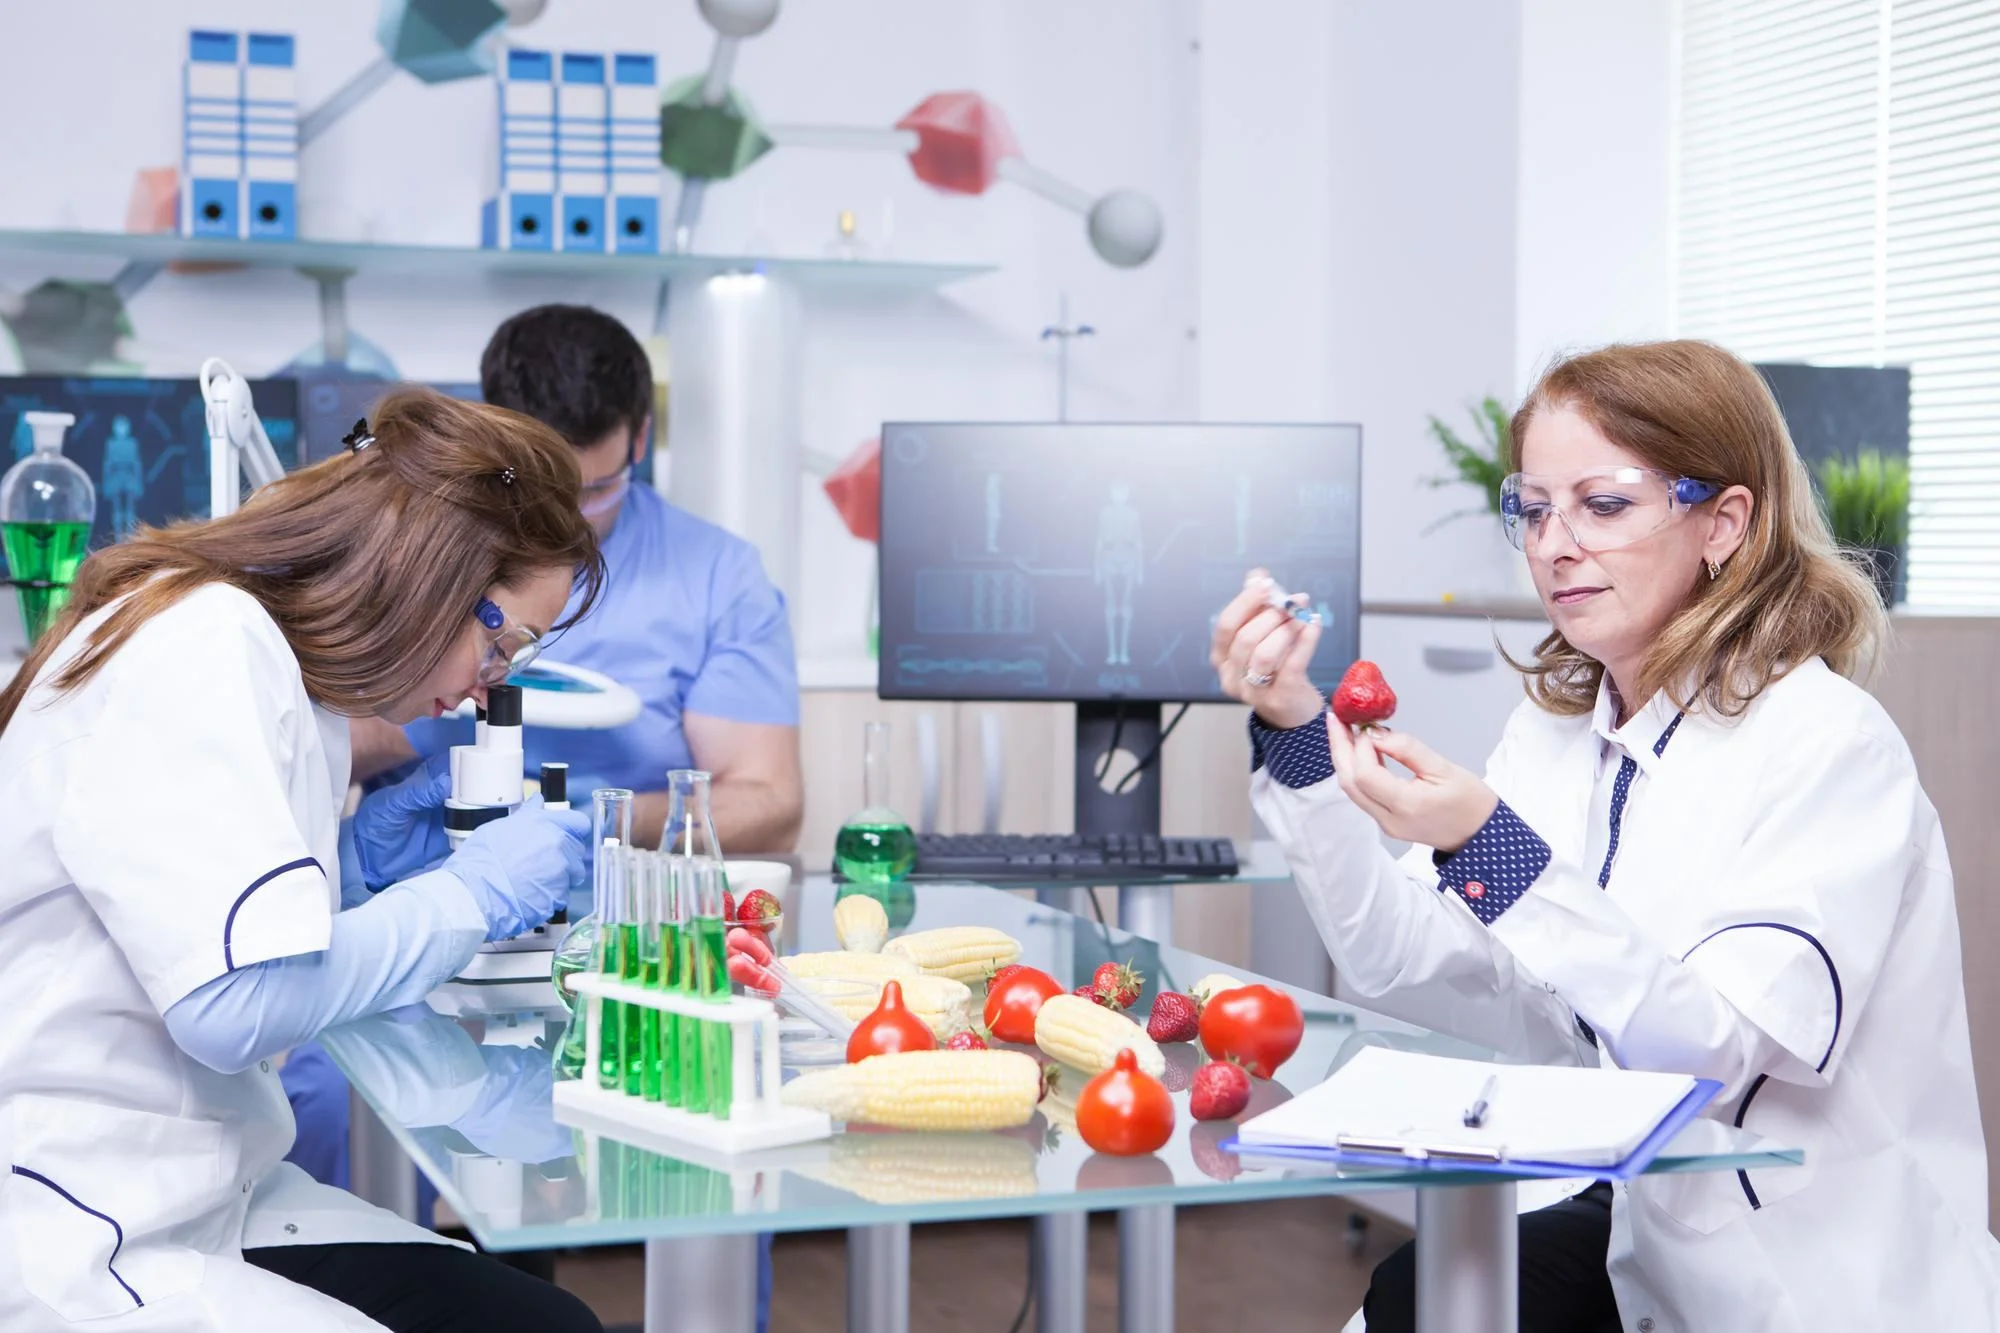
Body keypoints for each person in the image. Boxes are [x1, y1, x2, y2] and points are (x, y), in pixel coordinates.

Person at [1212, 340, 2000, 1333]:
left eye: (1602, 504)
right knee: (1412, 1299)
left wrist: (1488, 850)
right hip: (1623, 1211)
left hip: (1791, 1265)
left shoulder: (1827, 748)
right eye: (1533, 509)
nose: (1552, 543)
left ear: (1721, 522)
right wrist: (1293, 732)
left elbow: (1709, 1051)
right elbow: (1387, 949)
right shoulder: (1550, 737)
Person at [0, 388, 606, 1333]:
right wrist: (471, 893)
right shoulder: (206, 643)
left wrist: (354, 864)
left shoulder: (268, 659)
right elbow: (229, 1003)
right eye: (503, 641)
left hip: (194, 1183)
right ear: (433, 572)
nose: (491, 684)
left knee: (546, 1324)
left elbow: (200, 915)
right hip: (86, 1221)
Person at [351, 303, 803, 855]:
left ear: (640, 439)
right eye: (542, 484)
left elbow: (770, 801)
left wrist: (594, 822)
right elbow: (313, 746)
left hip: (618, 898)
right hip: (416, 886)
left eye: (596, 489)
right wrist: (423, 701)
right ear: (490, 432)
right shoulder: (402, 542)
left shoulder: (718, 575)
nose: (569, 515)